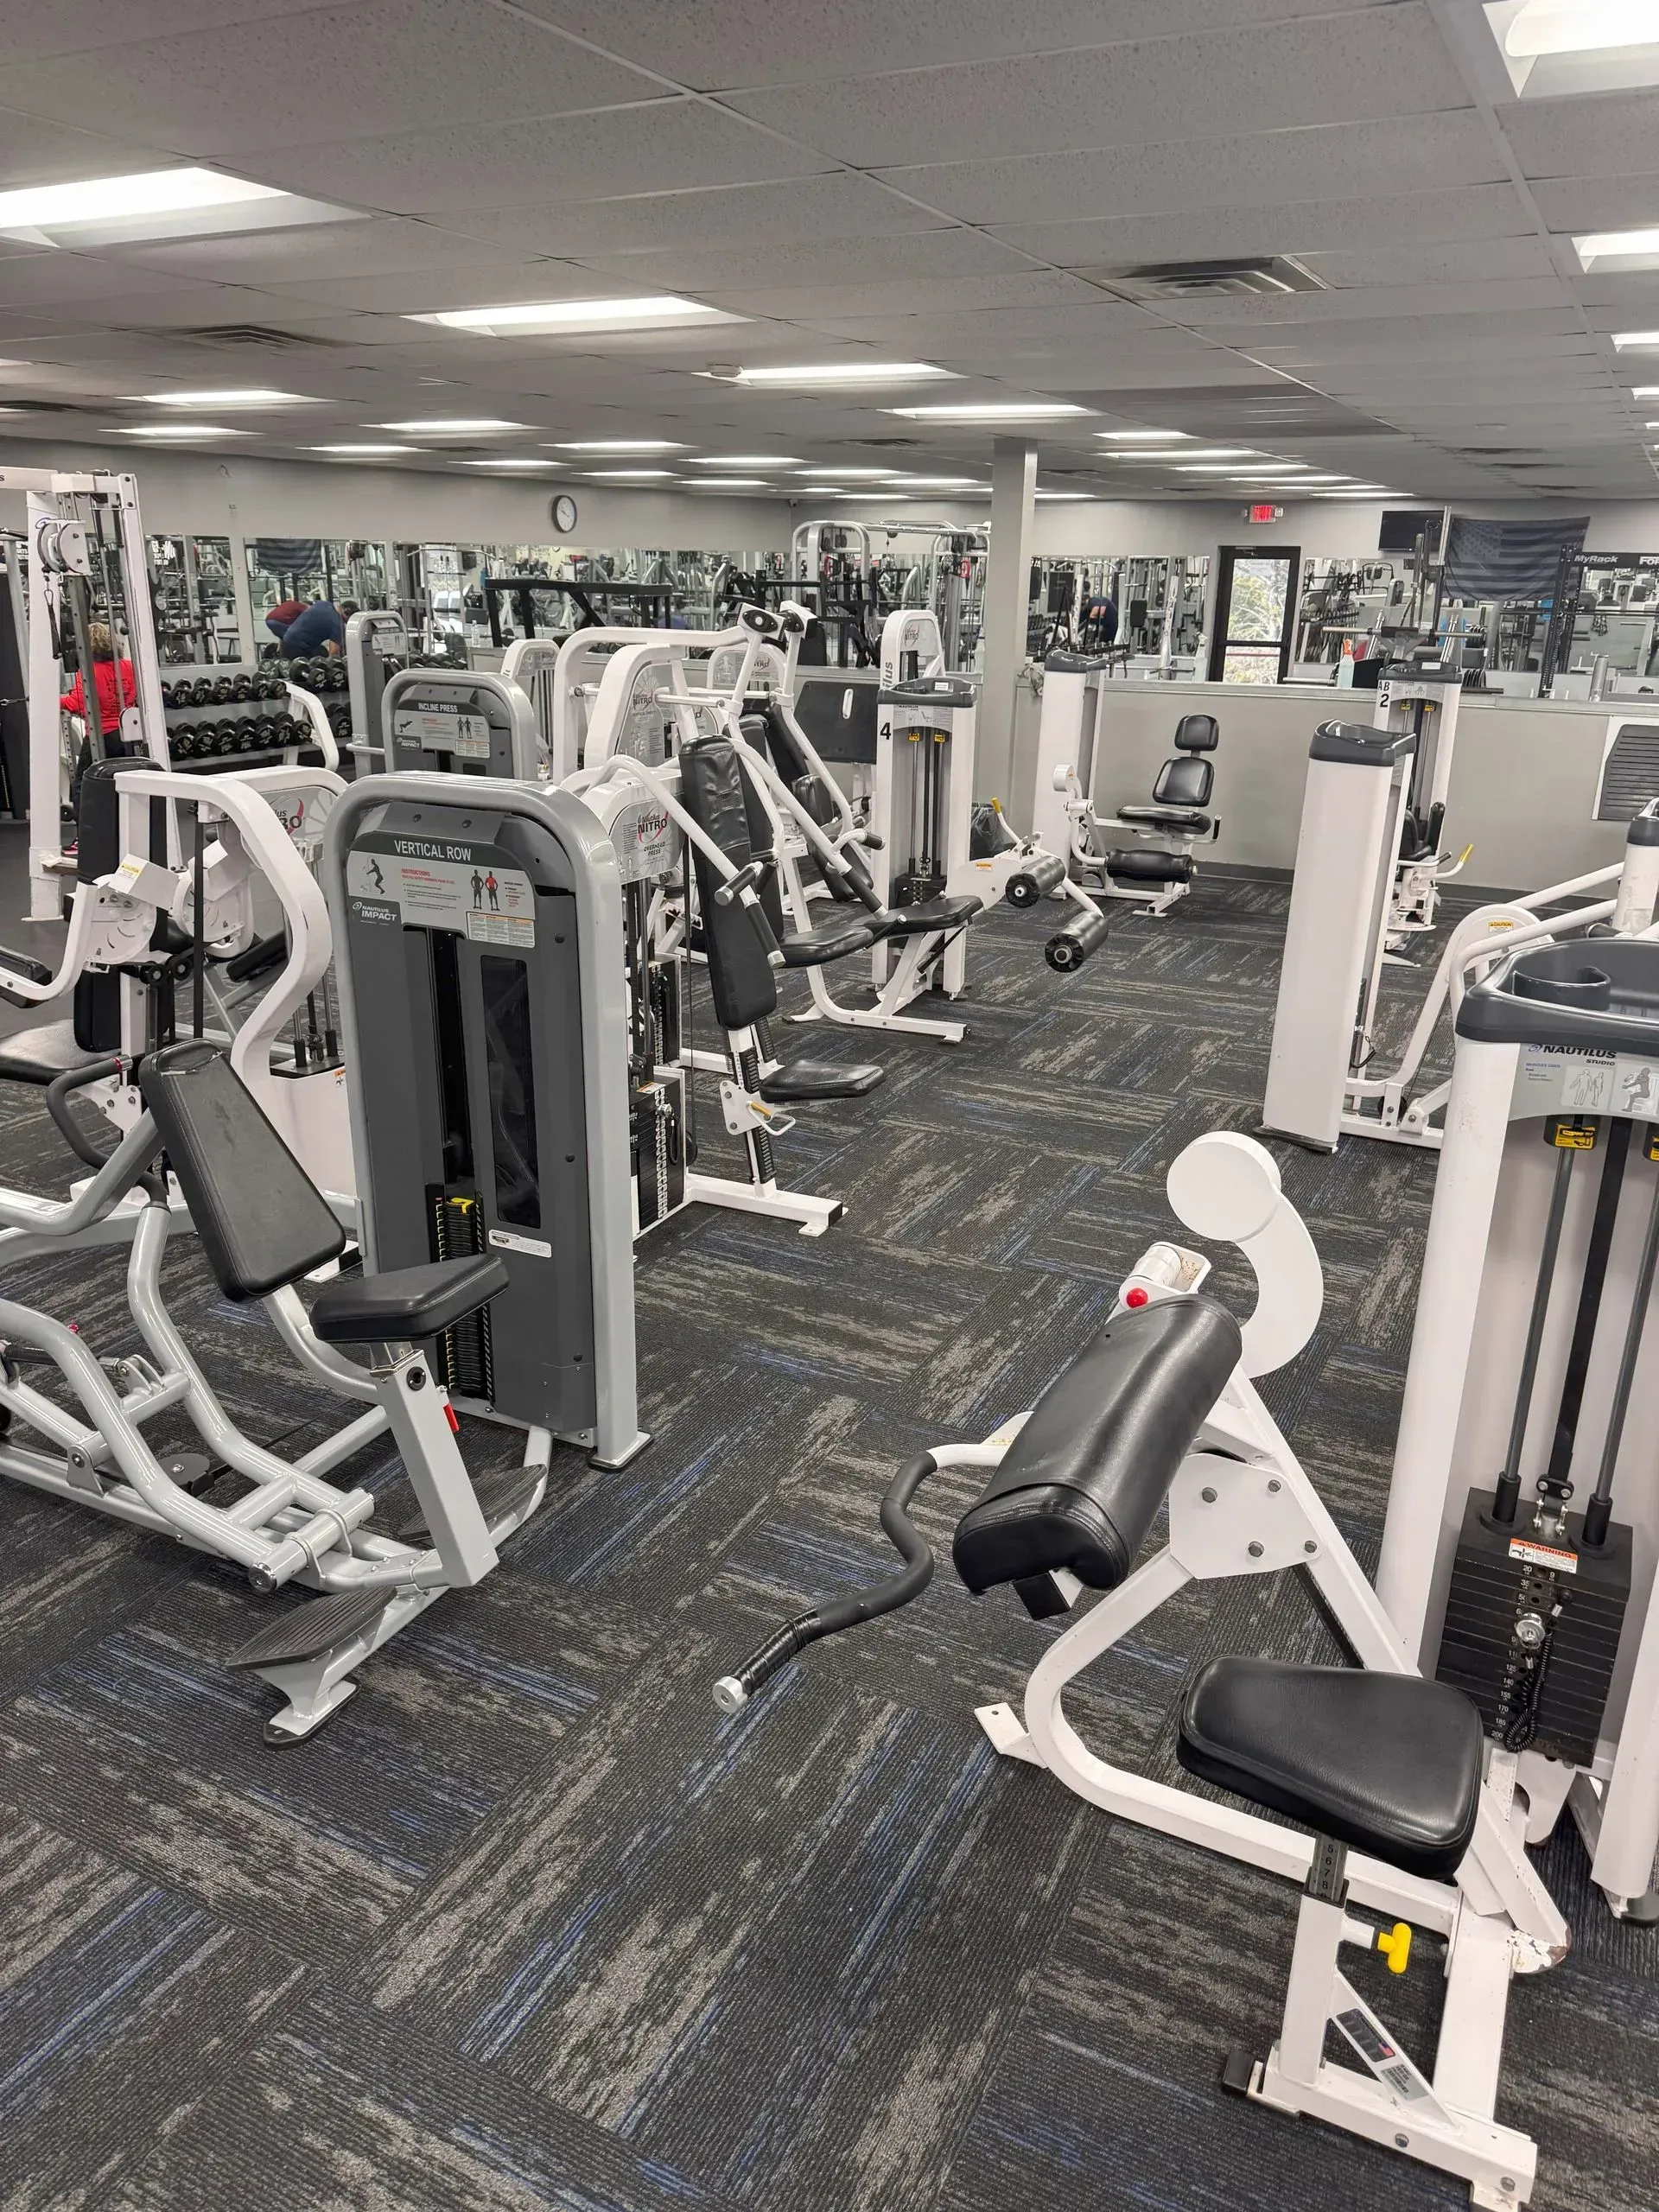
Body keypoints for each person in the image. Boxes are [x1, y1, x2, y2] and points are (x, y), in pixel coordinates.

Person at [274, 598, 344, 659]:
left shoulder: (325, 604)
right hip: (298, 647)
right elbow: (333, 653)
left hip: (288, 641)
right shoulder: (336, 622)